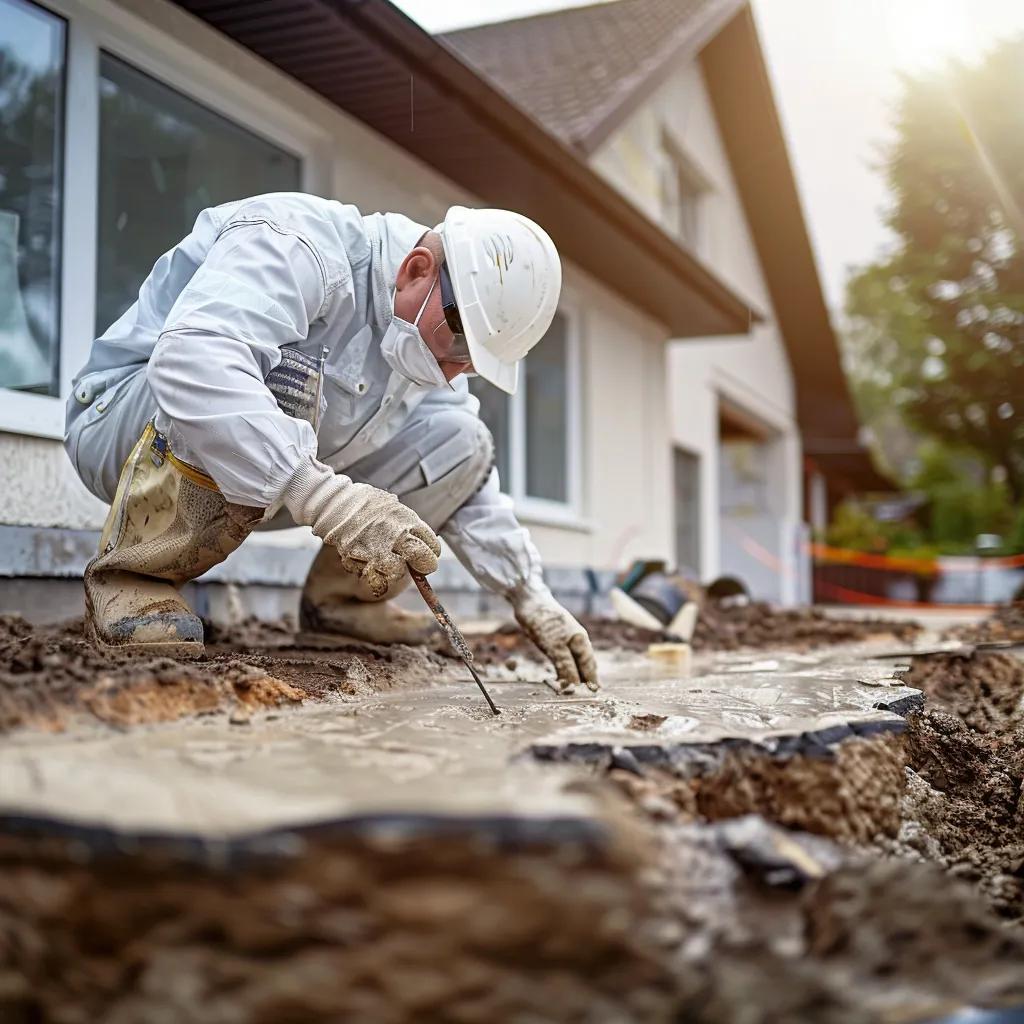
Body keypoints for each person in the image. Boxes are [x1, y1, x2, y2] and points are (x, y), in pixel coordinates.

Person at [64, 193, 598, 691]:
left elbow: (469, 477)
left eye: (475, 363)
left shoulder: (421, 345)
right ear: (417, 270)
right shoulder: (299, 243)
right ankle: (134, 577)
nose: (457, 368)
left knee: (463, 439)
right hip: (121, 426)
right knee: (270, 372)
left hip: (263, 481)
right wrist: (323, 495)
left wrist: (530, 594)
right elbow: (193, 360)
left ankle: (343, 604)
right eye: (460, 340)